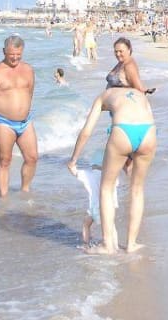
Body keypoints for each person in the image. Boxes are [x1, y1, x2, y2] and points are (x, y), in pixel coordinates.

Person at [67, 83, 157, 254]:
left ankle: (108, 245)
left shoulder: (105, 95)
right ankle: (131, 244)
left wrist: (73, 159)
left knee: (106, 188)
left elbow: (86, 131)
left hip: (123, 131)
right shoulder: (140, 94)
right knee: (137, 189)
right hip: (149, 132)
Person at [0, 34, 39, 197]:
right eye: (11, 54)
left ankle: (25, 191)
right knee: (4, 161)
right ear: (4, 51)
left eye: (18, 54)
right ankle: (3, 199)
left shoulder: (28, 70)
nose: (15, 58)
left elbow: (29, 93)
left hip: (25, 121)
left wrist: (23, 110)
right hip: (4, 122)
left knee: (32, 158)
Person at [73, 150, 126, 246]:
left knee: (86, 224)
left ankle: (86, 244)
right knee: (111, 227)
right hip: (110, 207)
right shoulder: (111, 176)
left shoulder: (89, 175)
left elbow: (74, 171)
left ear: (93, 165)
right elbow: (117, 184)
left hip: (95, 208)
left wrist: (71, 163)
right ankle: (115, 245)